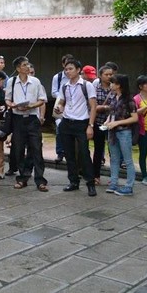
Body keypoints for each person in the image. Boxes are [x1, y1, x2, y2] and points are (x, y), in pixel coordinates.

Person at [53, 58, 97, 197]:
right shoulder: (65, 86)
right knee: (69, 154)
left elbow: (93, 106)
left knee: (84, 154)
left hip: (81, 123)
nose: (68, 71)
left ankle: (90, 183)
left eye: (71, 68)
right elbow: (61, 101)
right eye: (66, 69)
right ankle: (73, 181)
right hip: (67, 122)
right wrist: (59, 107)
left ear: (78, 70)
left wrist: (90, 125)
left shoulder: (86, 85)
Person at [7, 56, 48, 192]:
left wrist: (31, 106)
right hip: (18, 119)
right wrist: (12, 105)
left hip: (32, 118)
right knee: (18, 149)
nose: (28, 67)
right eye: (24, 65)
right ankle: (23, 177)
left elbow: (42, 99)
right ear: (18, 68)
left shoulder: (35, 81)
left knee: (36, 149)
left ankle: (40, 180)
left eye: (28, 65)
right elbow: (7, 99)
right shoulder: (12, 82)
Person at [104, 74, 138, 196]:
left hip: (124, 132)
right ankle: (114, 182)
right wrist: (108, 121)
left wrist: (117, 123)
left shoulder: (129, 99)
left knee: (127, 160)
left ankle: (129, 186)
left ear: (119, 85)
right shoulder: (113, 97)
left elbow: (134, 118)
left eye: (113, 83)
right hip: (112, 132)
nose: (111, 85)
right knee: (114, 158)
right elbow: (112, 112)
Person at [92, 65, 115, 185]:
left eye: (111, 74)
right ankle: (96, 175)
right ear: (100, 76)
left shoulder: (115, 88)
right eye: (106, 74)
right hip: (99, 123)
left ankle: (114, 177)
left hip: (113, 123)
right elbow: (93, 106)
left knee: (114, 151)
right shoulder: (95, 88)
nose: (109, 76)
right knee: (98, 149)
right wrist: (106, 107)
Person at [50, 54, 73, 164]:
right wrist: (63, 95)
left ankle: (71, 153)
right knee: (60, 129)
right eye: (66, 64)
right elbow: (53, 92)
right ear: (63, 64)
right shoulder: (57, 77)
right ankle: (60, 153)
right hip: (60, 104)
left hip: (73, 106)